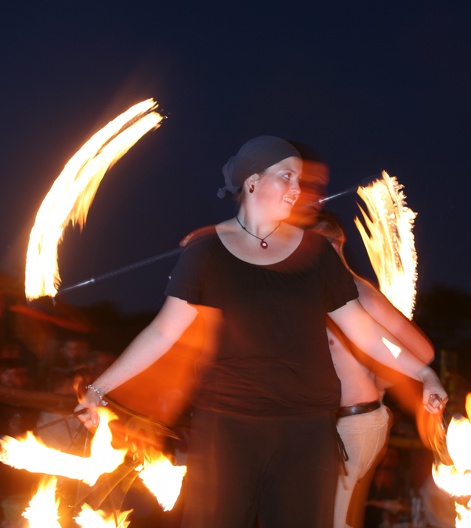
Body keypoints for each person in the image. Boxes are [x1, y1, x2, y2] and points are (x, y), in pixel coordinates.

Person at [76, 135, 447, 528]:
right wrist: (99, 389)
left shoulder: (318, 255)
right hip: (228, 428)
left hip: (307, 432)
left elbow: (365, 334)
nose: (296, 189)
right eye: (286, 177)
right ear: (251, 182)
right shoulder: (206, 253)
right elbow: (162, 333)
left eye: (299, 180)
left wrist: (423, 374)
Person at [311, 212, 437, 528]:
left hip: (356, 424)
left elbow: (422, 351)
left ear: (333, 245)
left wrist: (380, 375)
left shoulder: (360, 294)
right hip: (330, 424)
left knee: (333, 522)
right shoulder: (320, 293)